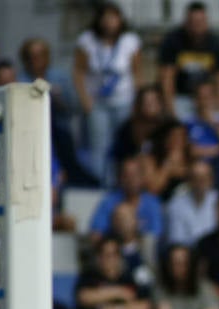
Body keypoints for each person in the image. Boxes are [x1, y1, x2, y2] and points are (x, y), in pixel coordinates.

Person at [73, 3, 141, 184]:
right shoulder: (86, 40)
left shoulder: (130, 41)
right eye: (105, 17)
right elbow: (78, 71)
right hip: (97, 102)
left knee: (123, 145)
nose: (109, 22)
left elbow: (137, 72)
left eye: (113, 17)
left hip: (124, 100)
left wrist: (137, 101)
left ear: (120, 20)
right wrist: (85, 100)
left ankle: (122, 182)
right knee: (99, 145)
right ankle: (99, 183)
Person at [158, 0, 219, 121]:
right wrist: (170, 109)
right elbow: (167, 78)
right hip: (180, 97)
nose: (197, 26)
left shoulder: (216, 44)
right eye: (193, 22)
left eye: (200, 22)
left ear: (206, 22)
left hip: (205, 98)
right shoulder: (173, 41)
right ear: (186, 22)